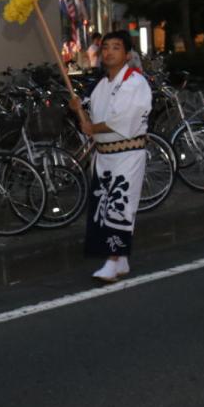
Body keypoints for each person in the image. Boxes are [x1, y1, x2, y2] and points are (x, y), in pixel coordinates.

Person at [72, 30, 152, 283]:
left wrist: (93, 128)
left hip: (127, 154)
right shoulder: (101, 84)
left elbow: (123, 118)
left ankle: (112, 260)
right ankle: (121, 259)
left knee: (120, 206)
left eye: (116, 47)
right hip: (105, 155)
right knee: (102, 208)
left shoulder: (135, 82)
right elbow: (90, 115)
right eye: (105, 47)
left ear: (127, 54)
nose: (108, 52)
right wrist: (77, 108)